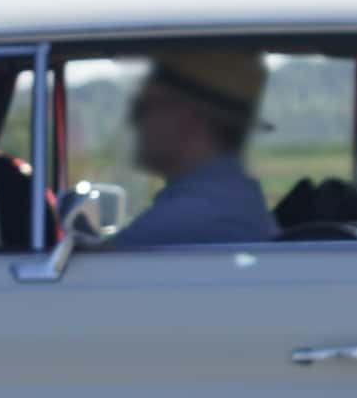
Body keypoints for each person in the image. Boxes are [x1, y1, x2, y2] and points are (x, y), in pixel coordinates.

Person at [104, 47, 275, 248]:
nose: (133, 119)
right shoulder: (229, 201)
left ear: (190, 119)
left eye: (144, 106)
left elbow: (94, 273)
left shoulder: (187, 220)